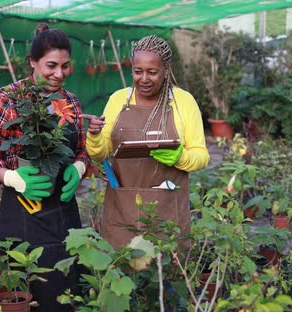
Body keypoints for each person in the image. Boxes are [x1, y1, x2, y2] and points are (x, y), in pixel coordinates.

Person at [0, 23, 89, 311]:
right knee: (23, 295)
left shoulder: (71, 102)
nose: (59, 74)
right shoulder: (9, 98)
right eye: (51, 65)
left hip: (64, 213)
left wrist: (78, 168)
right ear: (32, 62)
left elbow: (83, 151)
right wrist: (12, 177)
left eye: (65, 66)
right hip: (22, 212)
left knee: (66, 293)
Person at [85, 35, 209, 252]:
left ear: (166, 70)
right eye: (137, 71)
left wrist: (181, 157)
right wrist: (95, 136)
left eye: (152, 72)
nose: (144, 79)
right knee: (120, 268)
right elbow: (101, 152)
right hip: (122, 207)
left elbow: (201, 155)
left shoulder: (183, 102)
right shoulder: (118, 100)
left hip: (168, 209)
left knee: (166, 272)